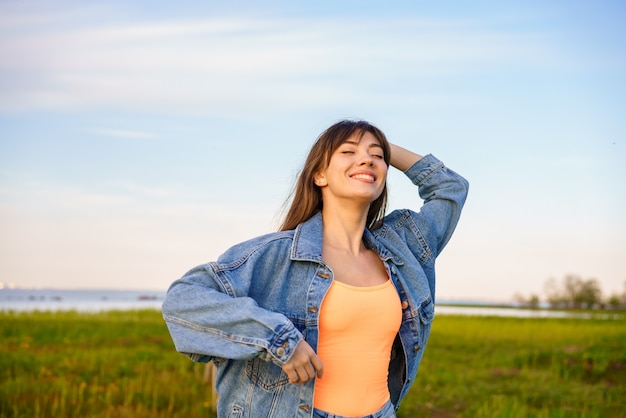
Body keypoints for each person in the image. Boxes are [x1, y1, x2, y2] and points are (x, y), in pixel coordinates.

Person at [162, 120, 469, 418]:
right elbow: (182, 301)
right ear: (320, 175)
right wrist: (277, 339)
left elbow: (450, 188)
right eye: (348, 152)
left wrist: (381, 145)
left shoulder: (403, 247)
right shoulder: (275, 255)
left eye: (377, 156)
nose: (366, 159)